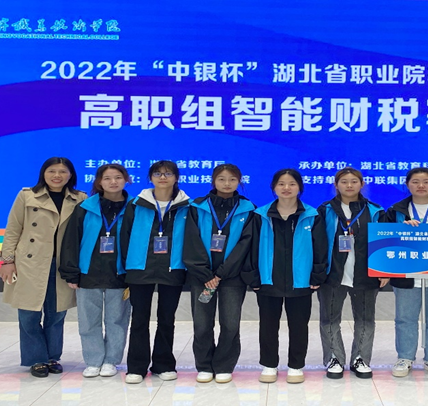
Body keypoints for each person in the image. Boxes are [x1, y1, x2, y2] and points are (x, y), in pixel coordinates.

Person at [0, 157, 86, 378]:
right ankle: (37, 359)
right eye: (52, 171)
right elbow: (13, 229)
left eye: (62, 171)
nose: (57, 176)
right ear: (43, 174)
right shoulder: (27, 196)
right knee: (28, 314)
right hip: (30, 262)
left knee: (56, 314)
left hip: (63, 264)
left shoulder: (80, 199)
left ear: (71, 175)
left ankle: (52, 357)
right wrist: (7, 261)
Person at [242, 169, 328, 385]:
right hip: (267, 279)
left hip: (301, 280)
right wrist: (253, 277)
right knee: (268, 325)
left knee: (299, 326)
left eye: (292, 184)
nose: (286, 188)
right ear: (274, 187)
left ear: (300, 187)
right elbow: (250, 248)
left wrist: (317, 275)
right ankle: (269, 364)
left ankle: (296, 366)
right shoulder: (260, 215)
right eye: (281, 184)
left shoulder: (312, 215)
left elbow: (321, 248)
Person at [119, 160, 191, 384]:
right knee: (139, 319)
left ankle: (163, 364)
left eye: (168, 173)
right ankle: (136, 367)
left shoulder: (187, 206)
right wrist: (125, 267)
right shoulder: (136, 204)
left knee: (166, 319)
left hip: (173, 267)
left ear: (176, 178)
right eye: (158, 173)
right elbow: (125, 236)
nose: (163, 177)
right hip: (140, 267)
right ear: (150, 178)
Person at [183, 164, 256, 384]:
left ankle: (224, 365)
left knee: (230, 324)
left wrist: (222, 273)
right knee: (202, 324)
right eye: (221, 179)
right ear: (213, 181)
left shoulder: (248, 209)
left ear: (239, 182)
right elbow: (191, 240)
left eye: (232, 179)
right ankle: (204, 365)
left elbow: (245, 244)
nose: (227, 183)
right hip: (201, 277)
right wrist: (205, 273)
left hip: (232, 277)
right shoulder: (197, 207)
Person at [59, 163, 134, 378]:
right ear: (99, 182)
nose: (113, 182)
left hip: (120, 273)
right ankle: (93, 360)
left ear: (126, 180)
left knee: (117, 320)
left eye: (118, 177)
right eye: (107, 178)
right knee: (88, 320)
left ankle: (111, 360)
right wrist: (71, 272)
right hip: (88, 272)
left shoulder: (135, 207)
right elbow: (71, 241)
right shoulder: (85, 208)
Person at [383, 167, 428, 379]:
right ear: (407, 185)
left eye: (426, 181)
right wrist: (402, 230)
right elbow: (386, 241)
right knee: (404, 318)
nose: (421, 186)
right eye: (415, 182)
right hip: (407, 274)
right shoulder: (395, 211)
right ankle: (405, 357)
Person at [317, 167, 388, 380]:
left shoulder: (375, 211)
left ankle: (361, 359)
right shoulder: (325, 210)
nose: (349, 185)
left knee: (365, 319)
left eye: (354, 181)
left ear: (361, 184)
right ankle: (334, 358)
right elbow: (317, 243)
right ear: (336, 185)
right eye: (344, 181)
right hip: (332, 273)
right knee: (329, 318)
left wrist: (383, 270)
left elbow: (383, 242)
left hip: (365, 274)